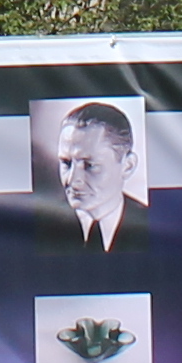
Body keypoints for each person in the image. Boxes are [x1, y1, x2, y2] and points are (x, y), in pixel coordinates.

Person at [39, 99, 144, 258]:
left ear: (127, 166)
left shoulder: (153, 225)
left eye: (89, 165)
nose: (72, 180)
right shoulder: (41, 226)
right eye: (66, 163)